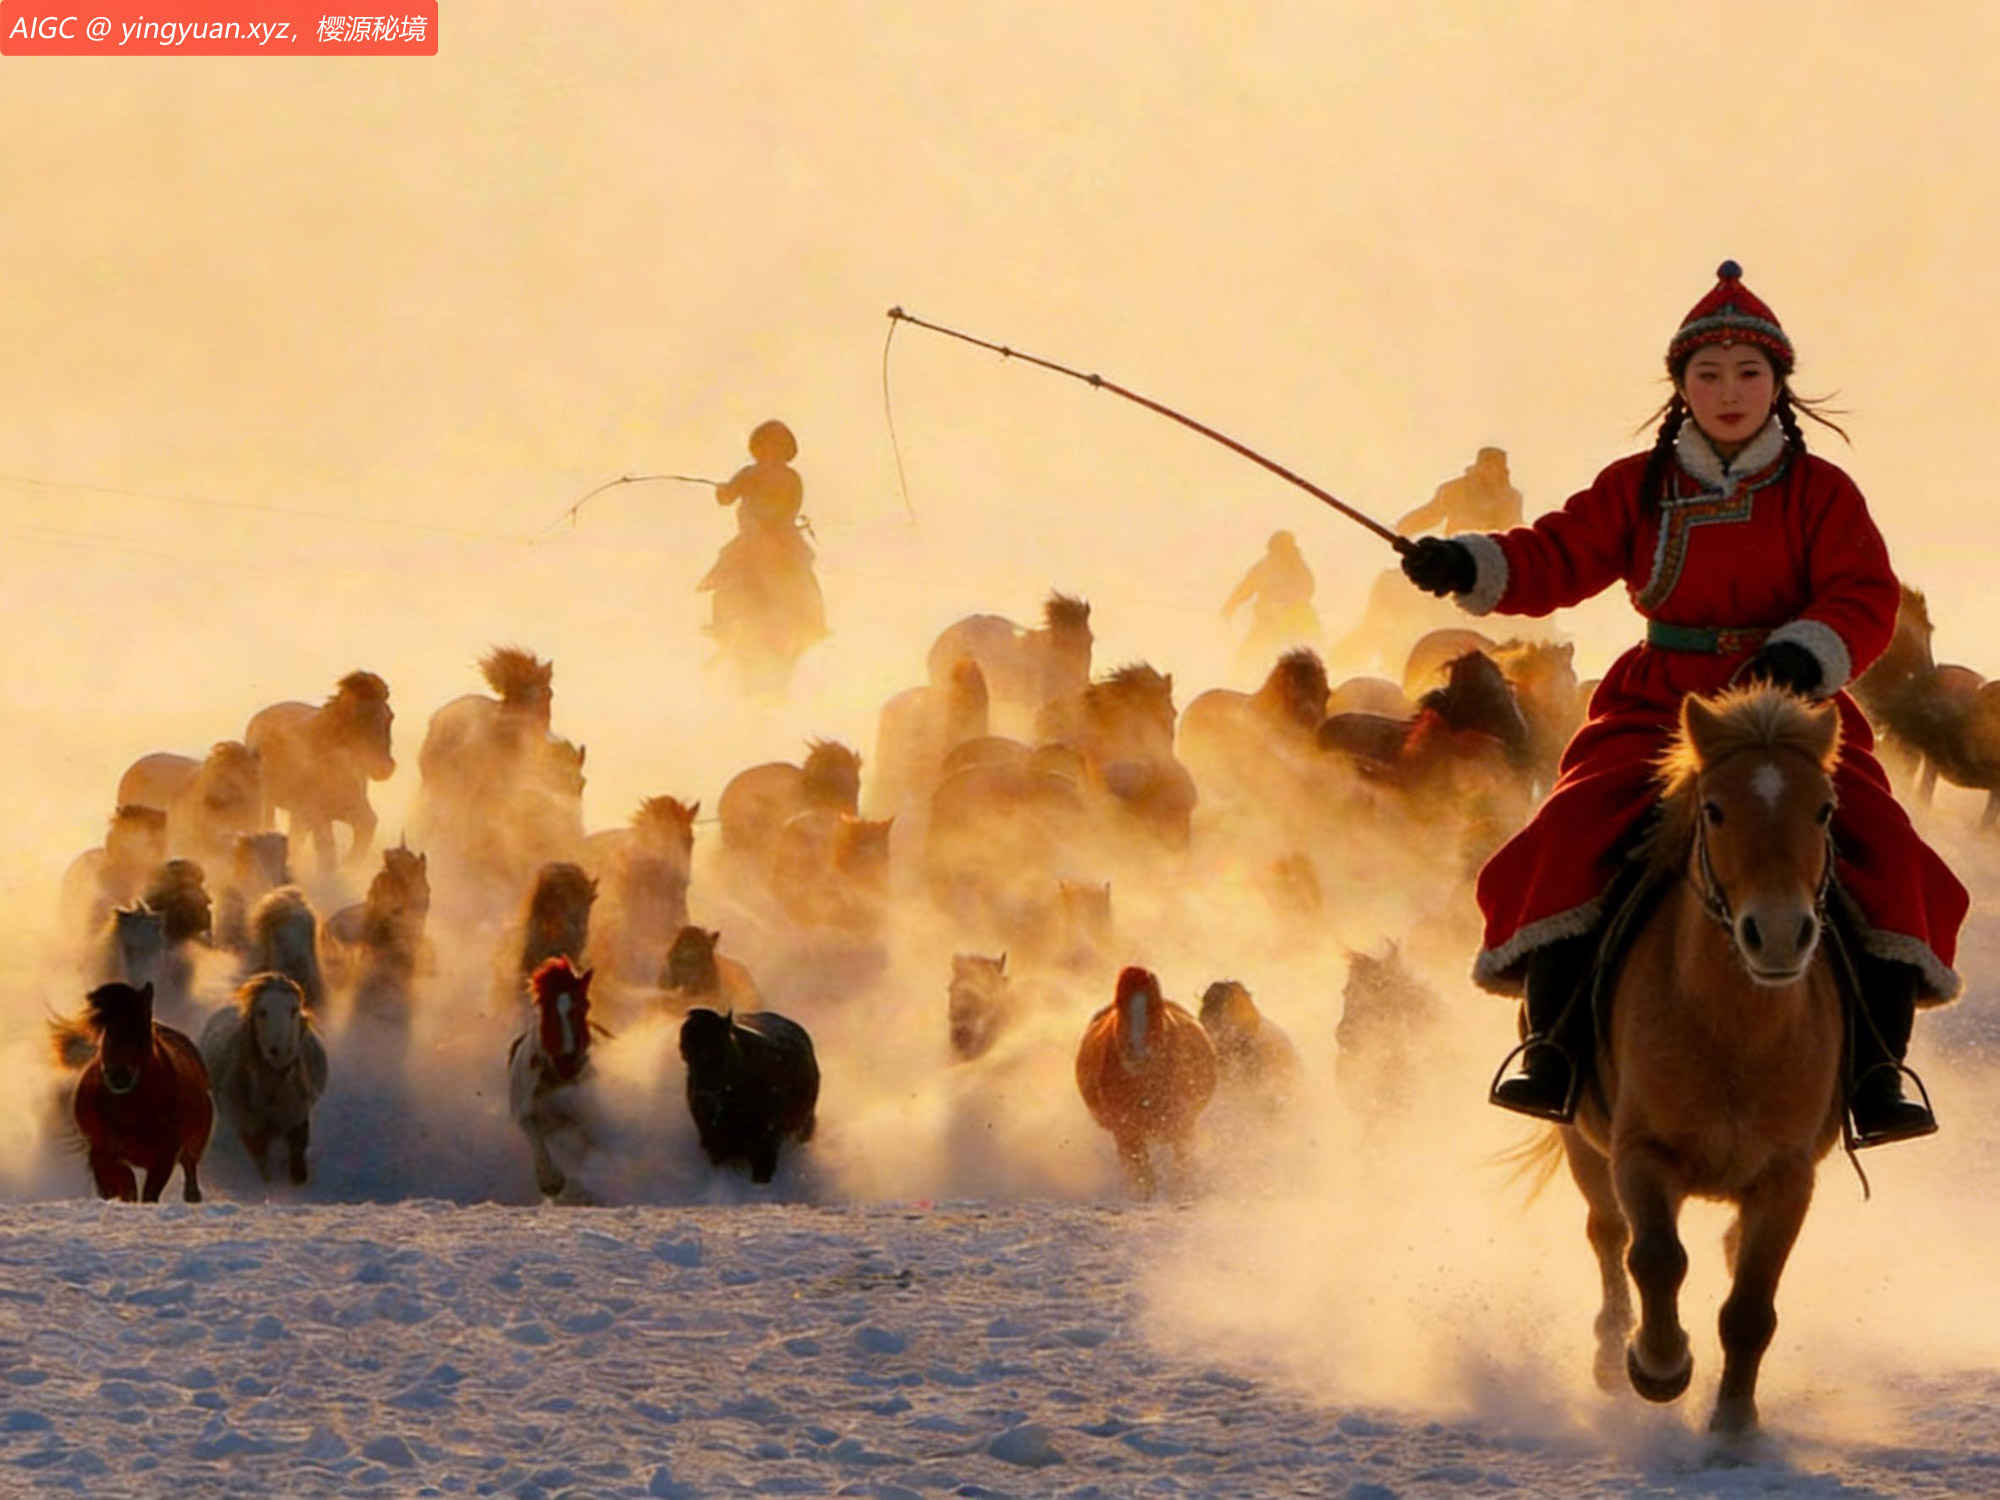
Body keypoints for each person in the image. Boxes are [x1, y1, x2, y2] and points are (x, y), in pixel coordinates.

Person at [1401, 261, 1967, 1147]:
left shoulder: (1823, 494)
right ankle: (1551, 1049)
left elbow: (1864, 597)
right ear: (1682, 388)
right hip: (1662, 702)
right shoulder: (1639, 483)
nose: (1729, 391)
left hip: (1791, 709)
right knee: (1572, 826)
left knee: (1883, 846)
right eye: (1709, 375)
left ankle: (1874, 1072)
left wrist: (1805, 651)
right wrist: (1474, 565)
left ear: (1778, 385)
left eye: (1749, 373)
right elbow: (1560, 554)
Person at [699, 419, 828, 666]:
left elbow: (726, 498)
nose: (769, 455)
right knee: (800, 577)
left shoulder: (752, 474)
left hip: (764, 538)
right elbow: (793, 505)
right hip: (778, 537)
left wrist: (724, 491)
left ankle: (722, 624)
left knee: (732, 572)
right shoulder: (787, 476)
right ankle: (811, 622)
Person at [1221, 530, 1323, 670]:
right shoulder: (1266, 566)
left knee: (1250, 653)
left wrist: (1286, 605)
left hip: (1292, 623)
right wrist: (1229, 607)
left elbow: (1308, 588)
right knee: (1247, 654)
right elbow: (1245, 588)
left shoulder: (1296, 567)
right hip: (1270, 622)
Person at [1396, 446, 1524, 537]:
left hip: (1491, 557)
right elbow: (1431, 513)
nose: (1490, 470)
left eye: (1496, 466)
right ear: (1478, 466)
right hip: (1457, 553)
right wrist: (1403, 528)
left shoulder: (1511, 498)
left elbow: (1513, 529)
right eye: (1487, 464)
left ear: (1502, 469)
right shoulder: (1455, 490)